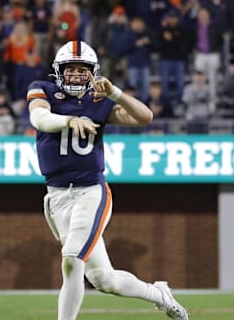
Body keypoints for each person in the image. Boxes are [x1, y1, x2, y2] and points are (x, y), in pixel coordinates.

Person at [27, 41, 188, 320]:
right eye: (71, 70)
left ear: (93, 72)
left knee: (72, 260)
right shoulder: (44, 89)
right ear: (58, 71)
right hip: (56, 196)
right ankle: (158, 294)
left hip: (90, 192)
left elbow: (144, 117)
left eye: (82, 70)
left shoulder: (99, 102)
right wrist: (68, 121)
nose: (76, 76)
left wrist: (115, 93)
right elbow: (39, 118)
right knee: (105, 280)